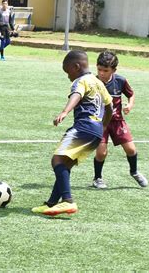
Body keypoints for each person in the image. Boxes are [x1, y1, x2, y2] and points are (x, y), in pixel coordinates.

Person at [32, 50, 113, 216]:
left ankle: (68, 201)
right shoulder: (98, 82)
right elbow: (110, 107)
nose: (68, 76)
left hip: (84, 127)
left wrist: (65, 112)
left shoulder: (81, 80)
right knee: (65, 164)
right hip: (96, 131)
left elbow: (76, 95)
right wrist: (103, 126)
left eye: (68, 72)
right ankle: (52, 203)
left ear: (76, 67)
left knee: (57, 160)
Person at [92, 51, 148, 189]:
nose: (102, 73)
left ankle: (134, 172)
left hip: (117, 121)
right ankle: (97, 178)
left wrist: (130, 105)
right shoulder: (92, 82)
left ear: (114, 70)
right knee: (101, 152)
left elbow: (131, 94)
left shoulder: (120, 81)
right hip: (99, 122)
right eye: (99, 69)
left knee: (130, 149)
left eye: (106, 70)